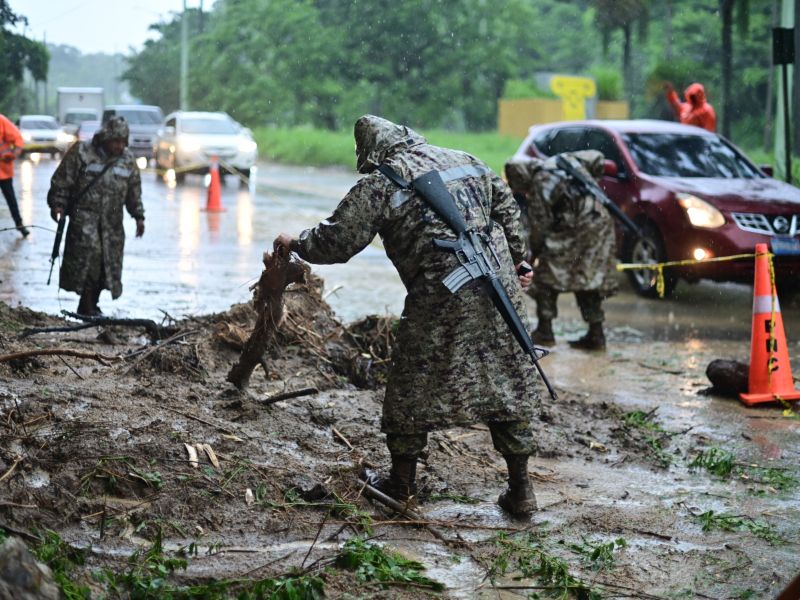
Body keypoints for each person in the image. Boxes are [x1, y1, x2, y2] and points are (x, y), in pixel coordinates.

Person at [274, 115, 543, 515]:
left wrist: (296, 242)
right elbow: (508, 212)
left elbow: (339, 241)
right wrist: (518, 260)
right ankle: (521, 492)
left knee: (411, 384)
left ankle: (401, 485)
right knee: (507, 381)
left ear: (371, 153)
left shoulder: (382, 183)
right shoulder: (468, 160)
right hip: (499, 291)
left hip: (440, 298)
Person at [505, 151, 618, 351]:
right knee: (588, 278)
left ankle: (545, 331)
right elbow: (598, 159)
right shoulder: (565, 160)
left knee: (545, 278)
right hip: (601, 223)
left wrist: (531, 255)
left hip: (576, 227)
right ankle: (596, 333)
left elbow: (539, 225)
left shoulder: (541, 182)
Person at [47, 116, 144, 316]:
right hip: (85, 221)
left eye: (123, 142)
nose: (119, 146)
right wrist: (57, 204)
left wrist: (138, 216)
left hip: (112, 225)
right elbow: (63, 180)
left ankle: (91, 304)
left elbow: (133, 191)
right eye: (115, 141)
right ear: (105, 137)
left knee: (108, 266)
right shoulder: (82, 152)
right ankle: (87, 306)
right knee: (90, 263)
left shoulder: (127, 161)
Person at [0, 113, 29, 238]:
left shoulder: (1, 121)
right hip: (4, 170)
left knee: (11, 199)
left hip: (3, 171)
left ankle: (19, 224)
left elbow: (17, 138)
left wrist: (13, 154)